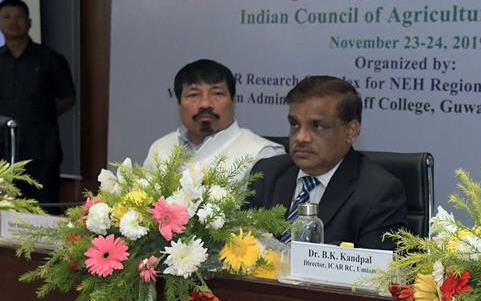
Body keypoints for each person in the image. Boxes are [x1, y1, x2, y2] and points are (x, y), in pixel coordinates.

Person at [247, 76, 407, 250]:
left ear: (351, 131)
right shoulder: (267, 173)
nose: (301, 138)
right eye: (294, 124)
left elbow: (376, 274)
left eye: (318, 126)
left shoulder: (379, 193)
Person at [0, 0, 76, 204]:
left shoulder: (51, 59)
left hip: (42, 149)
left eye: (19, 17)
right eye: (7, 17)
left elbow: (67, 98)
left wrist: (40, 113)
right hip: (2, 152)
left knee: (44, 208)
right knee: (4, 208)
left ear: (29, 22)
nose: (13, 22)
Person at [143, 59, 284, 175]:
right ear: (179, 103)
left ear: (233, 100)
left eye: (217, 94)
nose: (205, 104)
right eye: (193, 94)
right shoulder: (160, 149)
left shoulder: (263, 154)